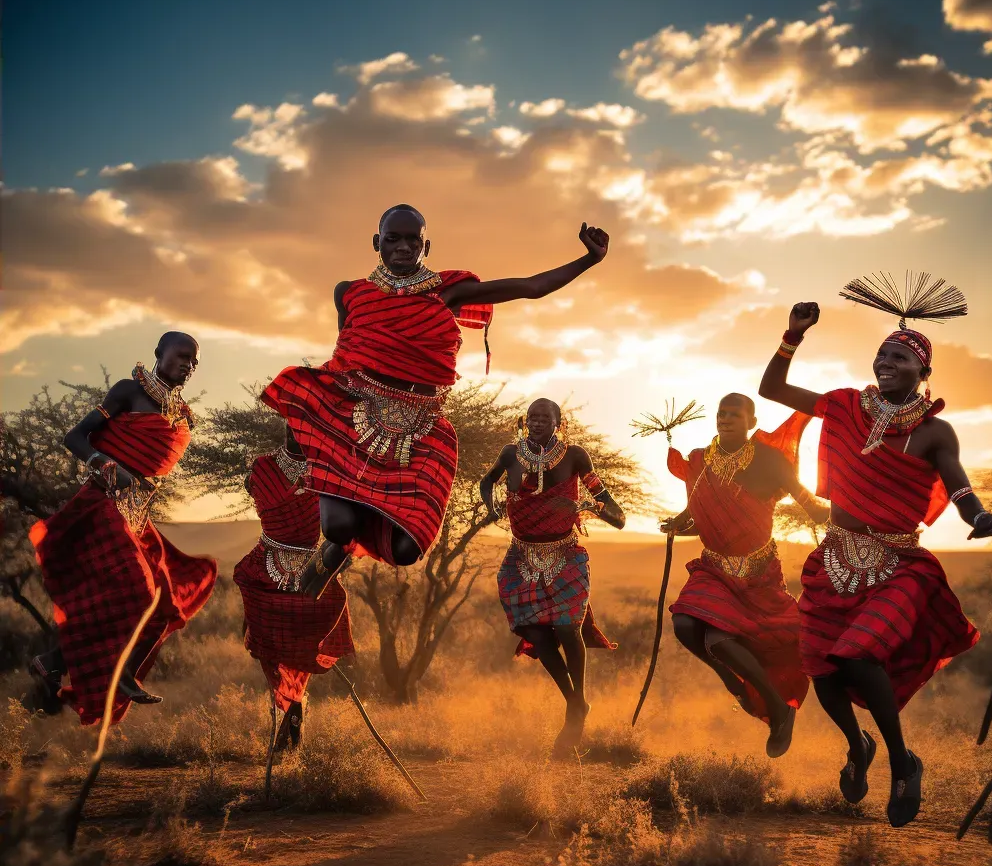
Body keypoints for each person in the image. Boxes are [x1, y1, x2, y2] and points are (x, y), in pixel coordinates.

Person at [261, 205, 609, 596]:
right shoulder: (351, 293)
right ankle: (329, 556)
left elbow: (530, 286)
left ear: (427, 245)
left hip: (421, 430)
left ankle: (335, 551)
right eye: (394, 238)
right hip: (355, 419)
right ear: (378, 242)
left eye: (414, 239)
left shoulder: (449, 291)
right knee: (339, 527)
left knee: (407, 548)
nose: (404, 247)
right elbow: (350, 355)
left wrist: (588, 260)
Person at [759, 301, 992, 826]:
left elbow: (957, 482)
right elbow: (773, 391)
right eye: (880, 354)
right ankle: (857, 746)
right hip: (838, 559)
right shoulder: (847, 406)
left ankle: (902, 762)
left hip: (898, 565)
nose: (885, 362)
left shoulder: (936, 433)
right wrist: (791, 336)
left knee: (860, 655)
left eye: (899, 356)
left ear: (923, 371)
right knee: (821, 668)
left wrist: (977, 514)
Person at [28, 333, 217, 726]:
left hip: (137, 517)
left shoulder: (180, 413)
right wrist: (108, 464)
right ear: (158, 354)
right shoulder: (129, 391)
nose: (188, 365)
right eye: (182, 356)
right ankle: (115, 673)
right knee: (138, 590)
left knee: (166, 604)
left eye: (194, 361)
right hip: (103, 504)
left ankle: (54, 662)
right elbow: (74, 437)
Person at [660, 393, 827, 758]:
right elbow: (696, 514)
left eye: (735, 414)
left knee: (719, 641)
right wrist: (676, 522)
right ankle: (733, 682)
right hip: (715, 567)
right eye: (721, 413)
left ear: (752, 422)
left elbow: (807, 501)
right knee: (686, 627)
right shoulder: (702, 461)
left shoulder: (769, 460)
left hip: (757, 573)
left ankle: (778, 707)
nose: (726, 419)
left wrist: (833, 514)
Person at [480, 399, 626, 756]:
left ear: (560, 423)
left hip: (566, 556)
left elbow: (617, 515)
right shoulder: (511, 453)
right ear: (524, 421)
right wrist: (492, 505)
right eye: (533, 417)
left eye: (546, 417)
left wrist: (586, 507)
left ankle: (577, 705)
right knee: (533, 631)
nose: (538, 421)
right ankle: (576, 703)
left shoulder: (576, 456)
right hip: (521, 558)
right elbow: (486, 483)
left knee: (566, 628)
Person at [233, 427, 356, 749]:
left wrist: (342, 556)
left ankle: (293, 721)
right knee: (270, 652)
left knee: (304, 649)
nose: (296, 429)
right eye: (291, 421)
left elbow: (346, 522)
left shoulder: (327, 473)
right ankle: (291, 715)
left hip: (310, 569)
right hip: (265, 564)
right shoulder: (262, 467)